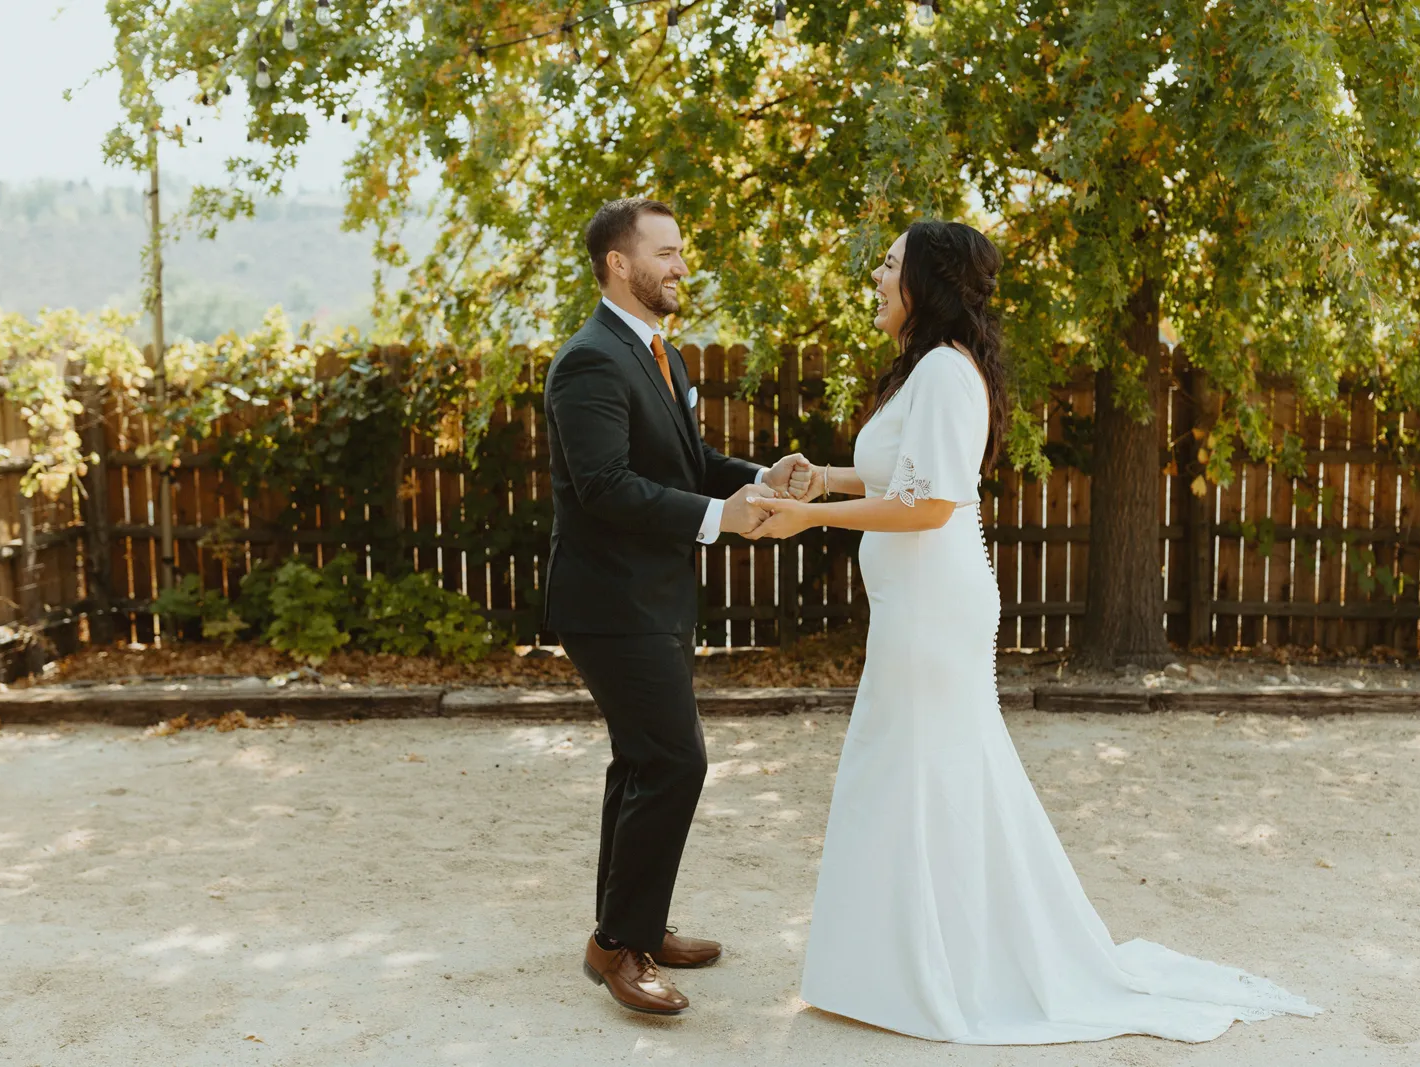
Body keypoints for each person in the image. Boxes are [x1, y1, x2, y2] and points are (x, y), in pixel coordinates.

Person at [747, 220, 1320, 1043]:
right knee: (910, 773)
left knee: (926, 774)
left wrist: (807, 517)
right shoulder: (924, 372)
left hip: (935, 609)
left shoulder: (946, 372)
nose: (875, 275)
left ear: (926, 285)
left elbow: (933, 505)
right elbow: (900, 476)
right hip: (914, 608)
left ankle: (938, 972)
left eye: (890, 264)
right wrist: (823, 476)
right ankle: (893, 969)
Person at [543, 197, 812, 1016]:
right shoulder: (588, 361)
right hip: (610, 601)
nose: (680, 266)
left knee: (641, 762)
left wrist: (760, 478)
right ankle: (622, 950)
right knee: (674, 761)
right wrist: (720, 517)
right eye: (664, 253)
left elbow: (687, 459)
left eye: (680, 251)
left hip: (655, 596)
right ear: (619, 264)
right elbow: (606, 486)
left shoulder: (662, 354)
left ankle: (631, 930)